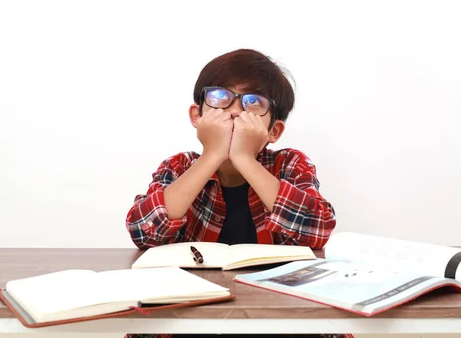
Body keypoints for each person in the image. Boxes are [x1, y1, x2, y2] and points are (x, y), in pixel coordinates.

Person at [125, 49, 351, 338]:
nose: (234, 111)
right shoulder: (179, 166)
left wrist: (245, 158)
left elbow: (317, 229)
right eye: (220, 98)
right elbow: (142, 231)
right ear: (197, 115)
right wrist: (212, 156)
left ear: (274, 131)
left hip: (280, 320)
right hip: (192, 320)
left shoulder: (289, 164)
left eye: (253, 102)